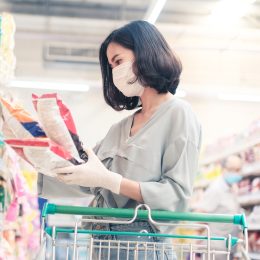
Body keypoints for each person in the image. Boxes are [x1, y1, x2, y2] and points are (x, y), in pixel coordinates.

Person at [38, 20, 202, 259]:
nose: (114, 71)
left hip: (142, 245)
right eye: (110, 65)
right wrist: (30, 163)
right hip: (101, 243)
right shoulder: (120, 128)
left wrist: (112, 181)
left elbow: (175, 197)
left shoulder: (179, 115)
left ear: (145, 55)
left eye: (118, 61)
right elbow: (85, 175)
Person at [194, 155, 243, 259]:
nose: (237, 173)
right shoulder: (216, 189)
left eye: (238, 169)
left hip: (228, 246)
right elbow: (200, 215)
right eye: (233, 169)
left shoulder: (231, 188)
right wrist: (197, 245)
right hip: (215, 249)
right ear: (224, 170)